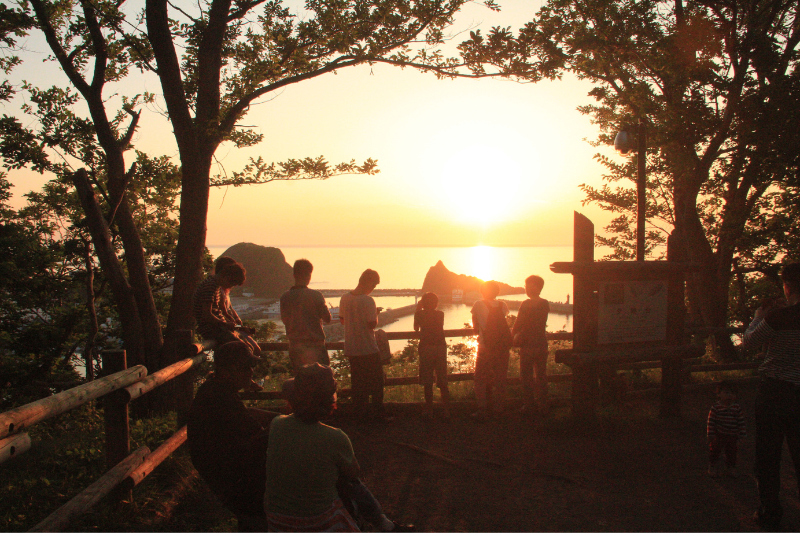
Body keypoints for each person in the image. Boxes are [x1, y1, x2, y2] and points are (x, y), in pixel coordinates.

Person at [274, 368, 414, 532]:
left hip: (278, 522)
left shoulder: (277, 425)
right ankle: (384, 525)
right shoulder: (335, 437)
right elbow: (353, 473)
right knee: (351, 483)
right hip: (318, 522)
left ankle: (385, 525)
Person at [187, 342, 278, 531]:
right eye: (245, 367)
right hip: (234, 480)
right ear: (226, 371)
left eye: (251, 366)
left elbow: (246, 415)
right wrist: (286, 425)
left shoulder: (215, 390)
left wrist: (278, 419)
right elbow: (258, 434)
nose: (251, 372)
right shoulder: (222, 400)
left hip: (222, 472)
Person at [741, 262, 800, 531]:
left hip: (775, 392)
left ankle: (769, 511)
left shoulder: (778, 317)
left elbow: (749, 342)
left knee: (768, 455)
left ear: (787, 286)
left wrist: (757, 316)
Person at [339, 269, 387, 420]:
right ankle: (377, 416)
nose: (373, 289)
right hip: (368, 348)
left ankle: (360, 416)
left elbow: (342, 320)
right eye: (374, 285)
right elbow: (371, 325)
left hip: (352, 348)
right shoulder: (368, 300)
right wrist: (376, 314)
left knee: (358, 385)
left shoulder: (344, 298)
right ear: (369, 282)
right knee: (377, 384)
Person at [193, 261, 261, 358]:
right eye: (232, 283)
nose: (231, 287)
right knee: (245, 350)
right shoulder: (210, 286)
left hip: (219, 328)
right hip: (211, 330)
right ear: (227, 276)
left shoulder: (215, 286)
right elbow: (207, 316)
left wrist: (238, 327)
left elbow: (219, 315)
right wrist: (226, 324)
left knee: (249, 348)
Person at [280, 259, 332, 372]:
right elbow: (327, 318)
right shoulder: (316, 295)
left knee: (301, 380)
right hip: (316, 345)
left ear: (294, 275)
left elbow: (285, 320)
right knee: (322, 379)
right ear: (309, 275)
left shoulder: (285, 297)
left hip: (295, 346)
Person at [470, 281, 512, 421]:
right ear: (497, 292)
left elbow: (475, 327)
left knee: (480, 378)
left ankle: (482, 410)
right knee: (500, 378)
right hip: (502, 347)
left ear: (482, 291)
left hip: (485, 347)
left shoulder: (478, 304)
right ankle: (499, 409)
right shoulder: (502, 305)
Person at [512, 275, 550, 416]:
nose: (526, 288)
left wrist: (513, 335)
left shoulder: (526, 304)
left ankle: (529, 406)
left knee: (526, 377)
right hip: (541, 343)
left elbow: (518, 323)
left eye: (528, 285)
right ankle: (543, 406)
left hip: (528, 345)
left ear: (537, 287)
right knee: (541, 376)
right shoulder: (545, 303)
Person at [413, 292, 450, 419]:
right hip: (440, 347)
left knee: (427, 380)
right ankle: (446, 410)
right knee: (442, 379)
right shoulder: (440, 314)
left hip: (426, 347)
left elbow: (416, 328)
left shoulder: (420, 314)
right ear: (436, 303)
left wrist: (418, 308)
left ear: (423, 303)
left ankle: (429, 410)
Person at [706, 381, 746, 478]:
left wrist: (742, 435)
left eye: (732, 393)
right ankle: (712, 466)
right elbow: (711, 421)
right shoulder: (716, 407)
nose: (729, 395)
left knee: (732, 452)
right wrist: (710, 433)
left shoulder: (737, 408)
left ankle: (731, 467)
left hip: (732, 435)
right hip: (719, 434)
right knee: (715, 451)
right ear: (719, 394)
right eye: (726, 392)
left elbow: (741, 422)